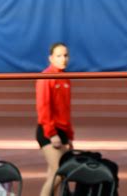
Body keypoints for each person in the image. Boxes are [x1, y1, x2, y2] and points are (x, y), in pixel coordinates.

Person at [35, 42, 74, 196]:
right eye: (59, 56)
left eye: (65, 55)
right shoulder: (46, 77)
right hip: (49, 131)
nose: (63, 59)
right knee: (60, 172)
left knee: (54, 176)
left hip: (63, 132)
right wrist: (52, 133)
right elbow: (43, 107)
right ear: (51, 58)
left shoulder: (66, 79)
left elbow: (66, 110)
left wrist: (69, 136)